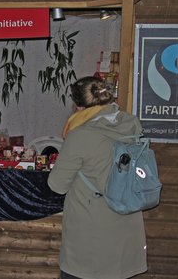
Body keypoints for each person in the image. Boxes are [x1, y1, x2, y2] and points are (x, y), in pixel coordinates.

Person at [48, 76, 147, 279]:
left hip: (91, 233)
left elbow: (56, 185)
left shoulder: (80, 135)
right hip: (126, 225)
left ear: (77, 106)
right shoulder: (131, 124)